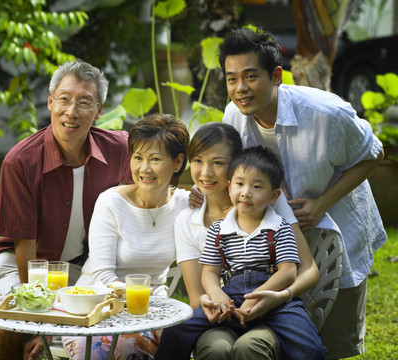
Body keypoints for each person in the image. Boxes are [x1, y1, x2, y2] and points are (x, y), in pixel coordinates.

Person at [220, 27, 387, 359]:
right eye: (231, 78)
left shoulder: (327, 114)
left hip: (339, 228)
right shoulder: (233, 116)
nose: (240, 89)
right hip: (279, 242)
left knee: (337, 340)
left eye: (250, 76)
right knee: (282, 333)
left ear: (276, 75)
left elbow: (375, 154)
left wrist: (323, 202)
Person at [0, 59, 132, 360]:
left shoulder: (121, 149)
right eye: (64, 99)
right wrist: (36, 321)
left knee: (105, 318)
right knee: (13, 314)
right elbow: (25, 247)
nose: (72, 111)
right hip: (18, 261)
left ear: (99, 110)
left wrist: (189, 192)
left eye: (84, 102)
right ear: (51, 102)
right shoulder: (20, 162)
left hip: (78, 264)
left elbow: (153, 176)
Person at [156, 145, 327, 360]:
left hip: (275, 301)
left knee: (310, 347)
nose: (246, 192)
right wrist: (218, 296)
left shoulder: (280, 227)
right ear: (229, 187)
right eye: (239, 184)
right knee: (177, 329)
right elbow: (209, 272)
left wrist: (258, 298)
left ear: (274, 195)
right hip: (231, 300)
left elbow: (288, 272)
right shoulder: (219, 230)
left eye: (257, 187)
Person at [61, 113, 190, 359]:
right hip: (95, 307)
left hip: (150, 311)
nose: (144, 169)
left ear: (177, 162)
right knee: (107, 350)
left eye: (155, 159)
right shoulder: (111, 202)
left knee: (161, 345)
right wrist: (140, 293)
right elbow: (102, 273)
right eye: (138, 157)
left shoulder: (186, 205)